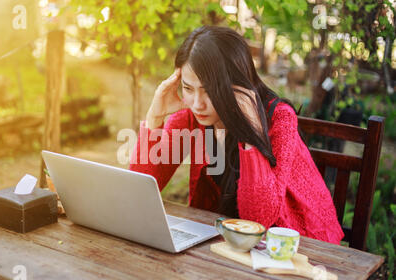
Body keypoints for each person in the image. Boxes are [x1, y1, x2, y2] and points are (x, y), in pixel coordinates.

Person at [129, 25, 344, 244]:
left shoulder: (279, 118)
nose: (197, 104)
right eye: (188, 88)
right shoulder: (191, 115)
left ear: (237, 84)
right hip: (228, 242)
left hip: (296, 245)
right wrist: (155, 117)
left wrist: (250, 132)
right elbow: (139, 188)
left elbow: (260, 219)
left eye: (210, 90)